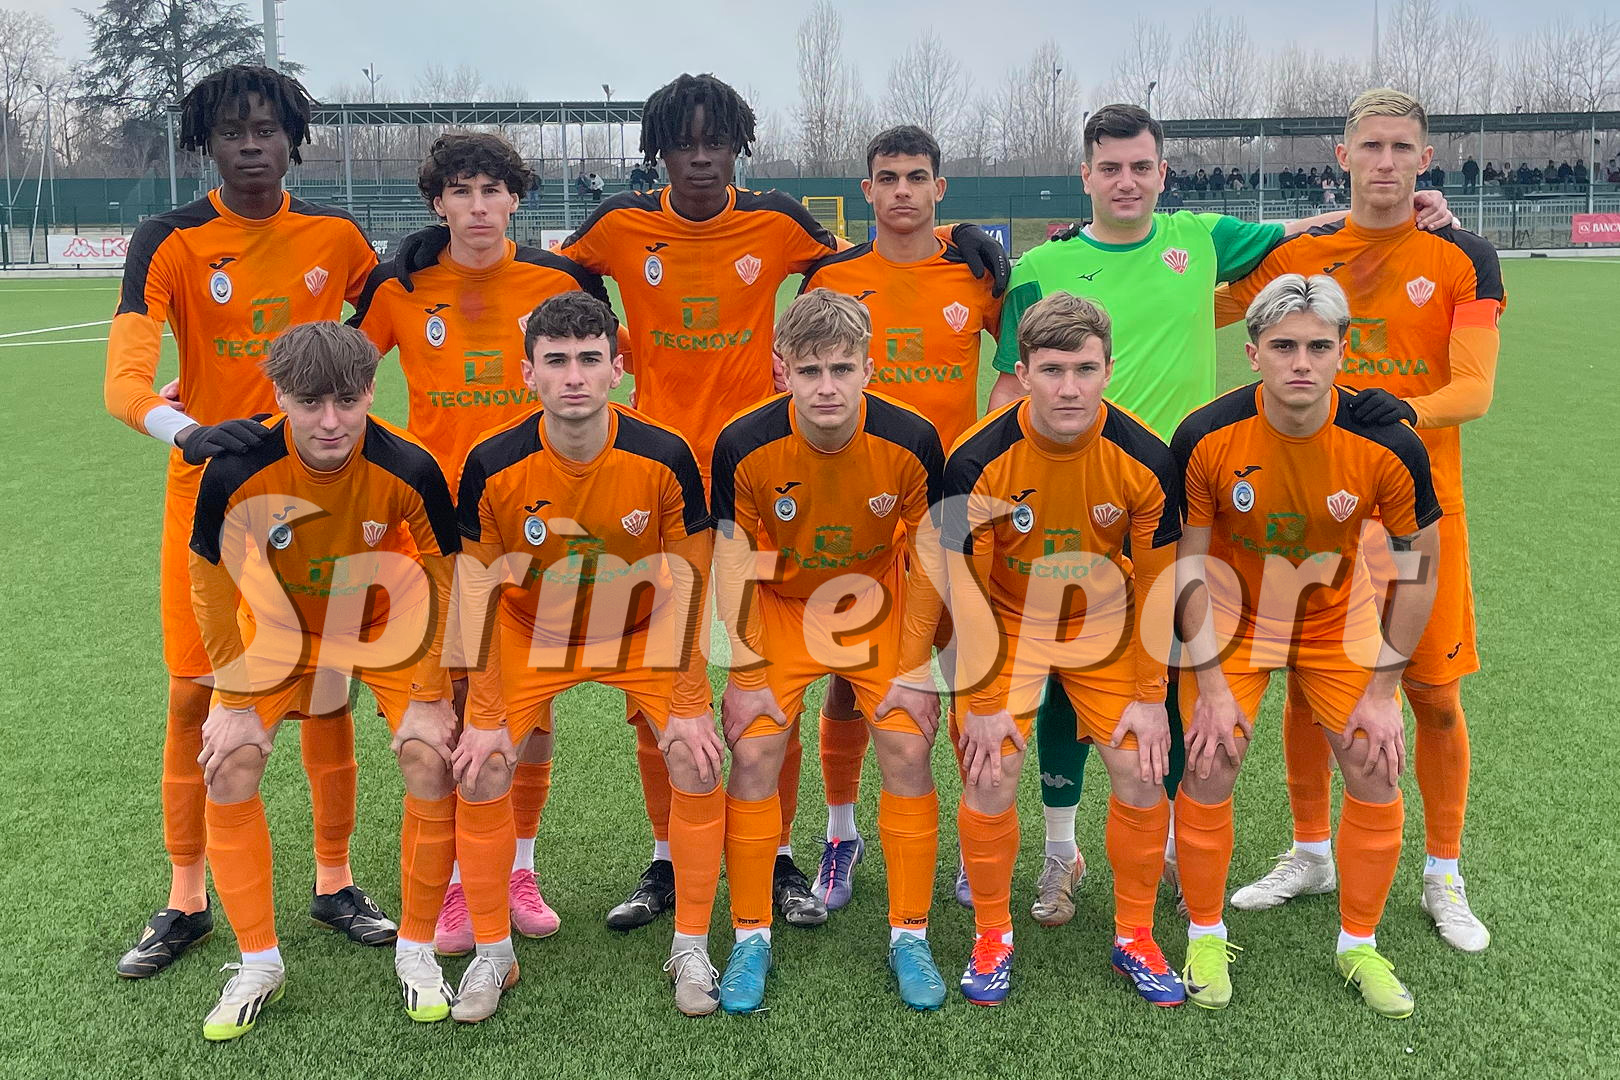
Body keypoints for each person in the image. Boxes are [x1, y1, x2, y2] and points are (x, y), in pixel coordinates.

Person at [397, 72, 1007, 933]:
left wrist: (954, 235)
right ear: (659, 152)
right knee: (659, 694)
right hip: (654, 485)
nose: (699, 158)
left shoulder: (780, 221)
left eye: (715, 141)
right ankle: (663, 859)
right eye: (681, 143)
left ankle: (784, 855)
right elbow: (543, 268)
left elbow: (877, 249)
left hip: (766, 477)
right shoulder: (617, 223)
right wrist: (432, 243)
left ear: (736, 149)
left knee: (778, 684)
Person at [986, 103, 1452, 927]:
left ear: (1163, 173)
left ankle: (1170, 846)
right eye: (1109, 167)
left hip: (1181, 494)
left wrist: (1402, 207)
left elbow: (1303, 236)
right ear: (1085, 174)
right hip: (1074, 499)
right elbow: (1009, 381)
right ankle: (1061, 851)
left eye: (1141, 166)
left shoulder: (1199, 239)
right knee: (1062, 680)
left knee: (1166, 680)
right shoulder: (1044, 262)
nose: (1126, 181)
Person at [105, 64, 391, 981]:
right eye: (232, 132)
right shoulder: (169, 239)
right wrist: (187, 428)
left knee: (325, 690)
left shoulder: (336, 235)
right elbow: (124, 381)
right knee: (196, 694)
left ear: (293, 138)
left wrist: (335, 406)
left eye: (266, 129)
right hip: (208, 499)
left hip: (322, 498)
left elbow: (390, 314)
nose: (251, 145)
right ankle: (187, 899)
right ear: (207, 143)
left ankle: (336, 881)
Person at [1216, 88, 1503, 953]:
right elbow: (1204, 301)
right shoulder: (1301, 253)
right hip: (1312, 515)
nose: (1386, 162)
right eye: (1370, 146)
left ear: (1425, 159)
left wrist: (1395, 415)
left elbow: (1474, 389)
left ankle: (1444, 873)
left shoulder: (1462, 255)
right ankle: (1311, 851)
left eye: (1401, 147)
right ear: (1342, 157)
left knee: (1433, 696)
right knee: (1310, 687)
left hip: (1418, 507)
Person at [348, 130, 612, 953]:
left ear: (515, 198)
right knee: (460, 704)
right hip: (439, 530)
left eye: (492, 190)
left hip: (536, 525)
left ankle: (518, 868)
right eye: (460, 191)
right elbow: (341, 373)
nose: (477, 207)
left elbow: (606, 368)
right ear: (437, 202)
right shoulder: (400, 284)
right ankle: (462, 882)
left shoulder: (557, 280)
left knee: (531, 707)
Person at [1172, 272, 1441, 1017]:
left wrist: (1385, 691)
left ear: (1342, 350)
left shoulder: (1387, 441)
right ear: (1252, 352)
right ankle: (1203, 933)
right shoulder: (1205, 435)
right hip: (1234, 621)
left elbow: (1420, 570)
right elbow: (1186, 568)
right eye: (1283, 346)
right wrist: (1212, 686)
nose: (1301, 362)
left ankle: (1359, 944)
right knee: (1211, 757)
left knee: (1375, 762)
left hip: (1332, 621)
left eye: (1319, 347)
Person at [186, 321, 461, 1038]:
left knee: (430, 755)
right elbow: (209, 586)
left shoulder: (410, 466)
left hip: (383, 620)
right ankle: (258, 964)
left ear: (371, 391)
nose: (331, 421)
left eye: (347, 400)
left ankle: (418, 950)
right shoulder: (236, 469)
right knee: (229, 760)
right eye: (310, 402)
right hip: (279, 627)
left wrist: (429, 694)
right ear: (279, 396)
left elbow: (446, 579)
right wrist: (233, 699)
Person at [454, 291, 721, 1017]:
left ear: (616, 370)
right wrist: (483, 715)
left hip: (639, 626)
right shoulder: (491, 462)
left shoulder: (665, 455)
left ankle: (691, 947)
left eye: (589, 359)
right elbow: (477, 595)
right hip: (527, 627)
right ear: (528, 373)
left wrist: (690, 703)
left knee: (697, 756)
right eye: (556, 361)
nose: (574, 376)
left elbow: (689, 584)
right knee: (482, 766)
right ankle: (492, 956)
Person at [709, 289, 948, 1013]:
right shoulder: (742, 443)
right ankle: (751, 935)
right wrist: (744, 670)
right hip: (782, 605)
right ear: (782, 370)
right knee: (754, 747)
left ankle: (910, 934)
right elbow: (731, 562)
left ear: (870, 369)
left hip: (876, 602)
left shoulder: (913, 438)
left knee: (906, 743)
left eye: (842, 368)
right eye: (809, 370)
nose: (826, 388)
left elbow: (929, 559)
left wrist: (915, 668)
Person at [943, 292, 1183, 1008]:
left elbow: (1159, 586)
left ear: (1110, 369)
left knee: (1140, 767)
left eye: (1085, 369)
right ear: (1022, 373)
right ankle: (993, 936)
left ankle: (1135, 936)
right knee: (991, 767)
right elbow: (966, 595)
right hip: (1006, 624)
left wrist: (1151, 698)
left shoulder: (1146, 457)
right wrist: (985, 702)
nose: (1070, 388)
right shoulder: (976, 459)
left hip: (1105, 623)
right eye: (1052, 370)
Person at [797, 125, 1003, 909]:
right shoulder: (833, 276)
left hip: (952, 508)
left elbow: (1019, 365)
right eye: (888, 178)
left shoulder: (976, 272)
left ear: (939, 189)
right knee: (850, 685)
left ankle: (968, 842)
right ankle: (841, 836)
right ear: (867, 191)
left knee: (961, 672)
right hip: (860, 510)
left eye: (918, 177)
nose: (903, 191)